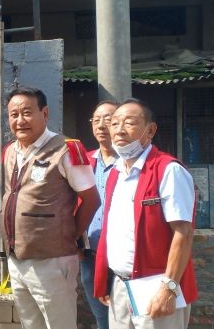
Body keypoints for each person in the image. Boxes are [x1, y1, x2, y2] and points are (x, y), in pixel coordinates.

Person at [94, 98, 197, 329]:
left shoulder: (168, 170)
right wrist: (105, 280)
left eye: (130, 123)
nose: (120, 129)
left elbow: (183, 232)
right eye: (115, 123)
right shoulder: (116, 174)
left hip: (156, 285)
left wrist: (168, 288)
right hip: (120, 285)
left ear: (150, 130)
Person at [2, 87, 100, 329]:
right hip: (18, 259)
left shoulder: (66, 149)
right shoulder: (10, 151)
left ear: (44, 113)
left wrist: (73, 234)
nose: (20, 120)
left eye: (27, 112)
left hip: (53, 261)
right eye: (14, 114)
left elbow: (91, 200)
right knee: (30, 324)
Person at [80, 100, 118, 329]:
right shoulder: (84, 160)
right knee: (102, 317)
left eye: (109, 118)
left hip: (121, 255)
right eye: (97, 119)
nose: (101, 124)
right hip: (91, 253)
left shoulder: (130, 163)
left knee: (125, 316)